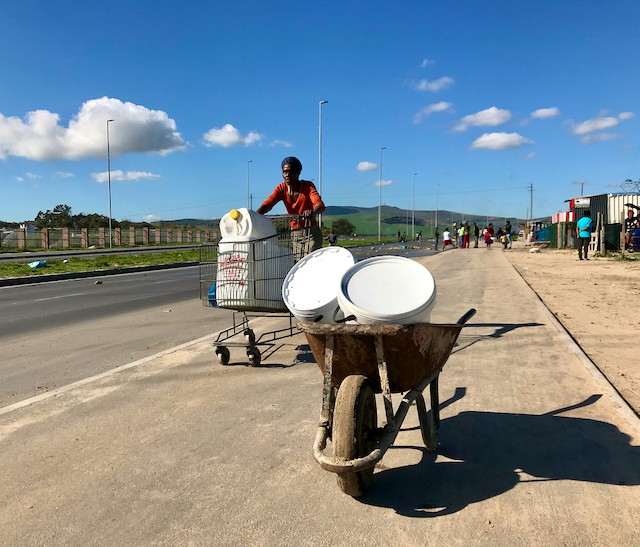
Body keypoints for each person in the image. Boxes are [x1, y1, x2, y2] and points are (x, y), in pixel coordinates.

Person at [257, 156, 325, 261]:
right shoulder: (282, 188)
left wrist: (312, 211)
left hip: (311, 232)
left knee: (310, 261)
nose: (287, 175)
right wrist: (255, 215)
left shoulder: (308, 186)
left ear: (298, 172)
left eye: (291, 171)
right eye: (284, 172)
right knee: (298, 263)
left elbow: (319, 205)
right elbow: (268, 203)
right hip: (296, 233)